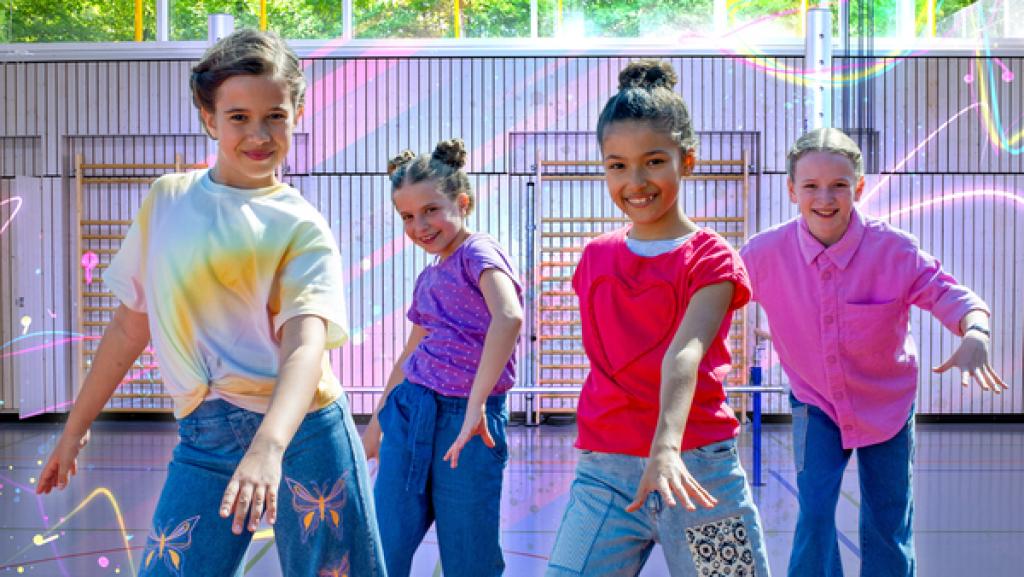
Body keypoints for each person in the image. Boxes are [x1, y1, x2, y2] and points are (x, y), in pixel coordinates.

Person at [36, 29, 385, 577]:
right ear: (209, 118)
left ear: (296, 112)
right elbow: (130, 327)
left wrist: (270, 446)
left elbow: (305, 346)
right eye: (239, 117)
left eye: (275, 115)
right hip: (205, 435)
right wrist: (74, 430)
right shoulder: (168, 199)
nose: (259, 134)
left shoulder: (301, 226)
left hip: (303, 435)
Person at [740, 127, 1006, 576]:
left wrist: (975, 332)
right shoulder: (764, 254)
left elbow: (952, 297)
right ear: (791, 190)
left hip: (887, 404)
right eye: (810, 186)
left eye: (839, 185)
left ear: (858, 187)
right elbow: (709, 298)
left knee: (888, 519)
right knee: (816, 512)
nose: (825, 197)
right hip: (815, 401)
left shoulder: (895, 251)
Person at [545, 59, 771, 577]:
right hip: (605, 472)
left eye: (653, 161)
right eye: (617, 165)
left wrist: (665, 446)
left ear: (685, 161)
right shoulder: (597, 258)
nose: (636, 181)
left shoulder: (710, 258)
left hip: (696, 467)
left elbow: (684, 353)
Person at [362, 138, 524, 577]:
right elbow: (410, 351)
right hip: (412, 410)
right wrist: (376, 425)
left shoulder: (478, 252)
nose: (419, 225)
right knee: (381, 546)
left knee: (469, 556)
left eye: (431, 210)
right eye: (407, 217)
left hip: (468, 422)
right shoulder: (430, 273)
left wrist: (475, 406)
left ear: (463, 202)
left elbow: (507, 317)